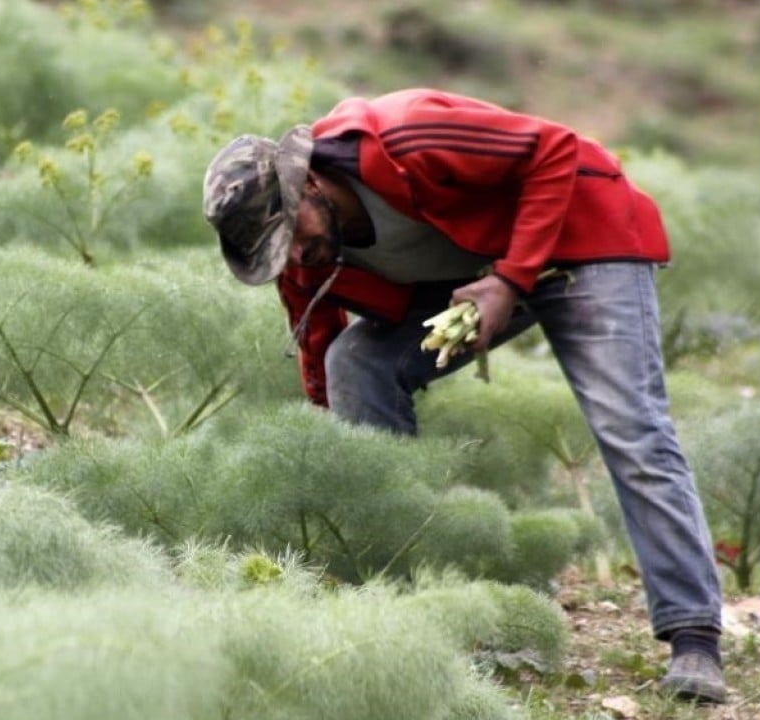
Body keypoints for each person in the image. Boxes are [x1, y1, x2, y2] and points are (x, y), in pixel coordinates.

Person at [202, 88, 726, 704]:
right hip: (477, 279)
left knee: (629, 428)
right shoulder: (307, 260)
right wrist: (339, 474)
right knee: (357, 362)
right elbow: (320, 354)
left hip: (580, 245)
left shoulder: (402, 137)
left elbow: (553, 149)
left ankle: (694, 635)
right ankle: (404, 601)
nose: (294, 256)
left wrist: (509, 278)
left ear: (310, 186)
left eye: (293, 234)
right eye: (276, 253)